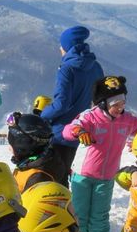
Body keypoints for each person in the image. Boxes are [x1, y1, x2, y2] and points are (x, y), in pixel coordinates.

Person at [62, 76, 137, 232]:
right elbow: (68, 130)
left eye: (122, 103)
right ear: (103, 103)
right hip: (83, 176)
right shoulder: (90, 117)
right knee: (79, 213)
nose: (120, 108)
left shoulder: (126, 120)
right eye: (115, 104)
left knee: (100, 215)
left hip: (106, 177)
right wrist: (79, 131)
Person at [39, 25, 104, 187]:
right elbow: (99, 100)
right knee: (65, 174)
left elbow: (61, 104)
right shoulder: (96, 67)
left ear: (67, 46)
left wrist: (41, 116)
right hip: (81, 129)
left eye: (61, 45)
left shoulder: (66, 69)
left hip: (60, 132)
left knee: (52, 179)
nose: (59, 48)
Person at [5, 112, 58, 193]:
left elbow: (26, 205)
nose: (9, 149)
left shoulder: (38, 178)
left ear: (22, 146)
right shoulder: (30, 164)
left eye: (11, 145)